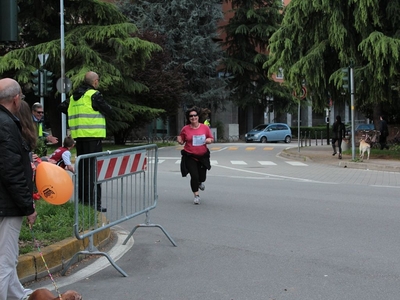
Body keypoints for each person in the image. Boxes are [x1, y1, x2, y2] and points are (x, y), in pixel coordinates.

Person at [0, 78, 37, 300]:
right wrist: (28, 206)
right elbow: (10, 171)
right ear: (16, 99)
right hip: (7, 205)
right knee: (5, 260)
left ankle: (18, 295)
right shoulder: (7, 125)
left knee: (7, 258)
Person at [58, 71, 112, 212]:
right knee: (93, 171)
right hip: (93, 137)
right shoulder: (94, 95)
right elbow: (108, 110)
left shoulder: (74, 97)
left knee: (82, 170)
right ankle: (94, 204)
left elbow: (62, 107)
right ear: (95, 82)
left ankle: (83, 203)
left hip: (79, 138)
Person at [177, 107, 214, 204]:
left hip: (202, 156)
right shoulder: (185, 129)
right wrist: (180, 140)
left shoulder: (204, 127)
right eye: (191, 116)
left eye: (195, 115)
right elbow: (182, 140)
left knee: (202, 177)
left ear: (198, 117)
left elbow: (211, 138)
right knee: (194, 176)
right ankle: (196, 195)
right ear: (188, 118)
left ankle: (200, 182)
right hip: (190, 156)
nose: (193, 117)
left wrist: (208, 140)